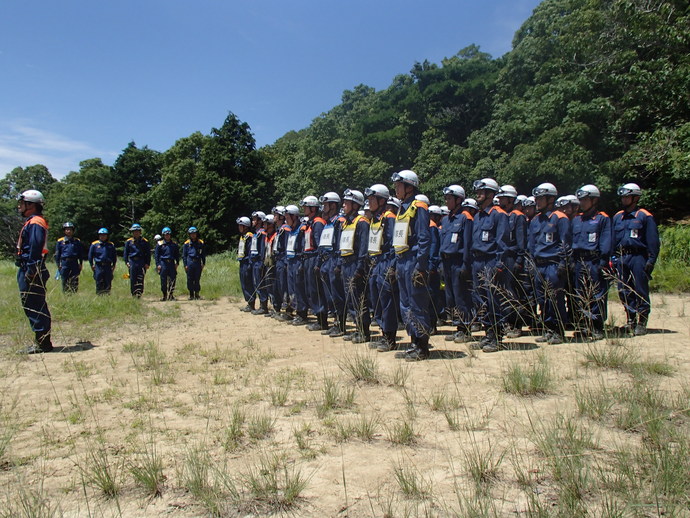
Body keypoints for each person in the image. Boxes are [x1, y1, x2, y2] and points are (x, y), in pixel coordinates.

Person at [391, 170, 432, 361]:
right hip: (401, 260)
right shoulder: (402, 207)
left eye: (399, 185)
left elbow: (424, 237)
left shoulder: (419, 206)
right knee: (405, 305)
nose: (396, 189)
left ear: (409, 187)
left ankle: (422, 347)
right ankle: (414, 341)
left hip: (413, 260)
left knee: (417, 304)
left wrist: (421, 266)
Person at [612, 183, 659, 336]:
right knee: (623, 289)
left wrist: (651, 260)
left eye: (627, 196)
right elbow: (613, 240)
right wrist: (612, 258)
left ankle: (642, 320)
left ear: (636, 198)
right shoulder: (618, 217)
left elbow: (652, 240)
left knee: (640, 289)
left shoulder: (645, 216)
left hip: (639, 256)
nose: (624, 199)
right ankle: (630, 318)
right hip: (621, 257)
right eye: (623, 197)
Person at [528, 183, 572, 344]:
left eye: (540, 198)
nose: (537, 202)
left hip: (553, 264)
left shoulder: (560, 218)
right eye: (536, 198)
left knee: (556, 298)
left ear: (551, 199)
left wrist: (563, 264)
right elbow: (531, 244)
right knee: (542, 299)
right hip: (539, 264)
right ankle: (548, 328)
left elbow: (565, 243)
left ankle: (559, 331)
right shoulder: (535, 220)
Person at [470, 178, 510, 353]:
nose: (478, 195)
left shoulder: (499, 214)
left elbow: (502, 241)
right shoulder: (478, 215)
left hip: (491, 260)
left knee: (494, 301)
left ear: (490, 194)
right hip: (478, 261)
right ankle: (488, 333)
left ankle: (496, 337)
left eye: (481, 192)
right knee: (482, 301)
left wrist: (499, 264)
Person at [571, 185, 612, 340]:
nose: (582, 203)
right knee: (580, 294)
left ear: (594, 200)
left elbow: (606, 241)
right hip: (579, 260)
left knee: (597, 294)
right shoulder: (577, 219)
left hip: (594, 261)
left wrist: (603, 262)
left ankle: (597, 326)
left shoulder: (602, 218)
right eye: (580, 200)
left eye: (585, 199)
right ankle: (584, 325)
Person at [16, 190, 53, 354]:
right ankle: (41, 341)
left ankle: (43, 343)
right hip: (27, 266)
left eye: (22, 203)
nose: (19, 206)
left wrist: (31, 269)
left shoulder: (36, 222)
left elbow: (35, 246)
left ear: (30, 205)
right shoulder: (31, 222)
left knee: (35, 304)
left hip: (32, 269)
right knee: (30, 303)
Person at [365, 184, 398, 352]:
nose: (369, 202)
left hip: (386, 262)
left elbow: (394, 244)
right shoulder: (376, 218)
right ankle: (383, 331)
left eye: (372, 199)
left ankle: (389, 337)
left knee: (387, 302)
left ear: (381, 200)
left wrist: (392, 267)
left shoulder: (389, 217)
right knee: (376, 300)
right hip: (376, 262)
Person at [440, 185, 474, 343]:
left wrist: (466, 265)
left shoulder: (465, 217)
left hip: (458, 261)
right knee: (451, 297)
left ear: (458, 200)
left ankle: (465, 328)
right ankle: (456, 325)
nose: (447, 201)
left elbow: (467, 244)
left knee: (461, 296)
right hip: (447, 262)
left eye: (449, 198)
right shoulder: (446, 219)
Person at [339, 189, 371, 343]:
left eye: (347, 202)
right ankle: (357, 328)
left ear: (355, 204)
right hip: (346, 264)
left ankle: (364, 331)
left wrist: (360, 268)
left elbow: (364, 247)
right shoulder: (346, 223)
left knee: (359, 298)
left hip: (355, 264)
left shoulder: (362, 222)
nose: (344, 205)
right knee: (350, 299)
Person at [496, 185, 527, 337]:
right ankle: (505, 322)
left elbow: (521, 240)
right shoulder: (501, 214)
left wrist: (519, 260)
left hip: (512, 257)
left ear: (510, 199)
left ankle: (516, 324)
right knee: (501, 292)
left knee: (512, 292)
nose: (500, 200)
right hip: (502, 257)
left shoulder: (517, 216)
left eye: (503, 197)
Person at [301, 196, 328, 331]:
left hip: (313, 258)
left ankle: (322, 320)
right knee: (310, 290)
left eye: (306, 207)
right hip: (308, 259)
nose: (304, 210)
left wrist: (317, 263)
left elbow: (319, 245)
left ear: (313, 208)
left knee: (316, 290)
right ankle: (318, 318)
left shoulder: (318, 223)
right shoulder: (310, 223)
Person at [123, 223, 151, 298]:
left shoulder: (145, 241)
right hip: (132, 262)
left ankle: (139, 294)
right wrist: (126, 262)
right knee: (132, 278)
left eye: (137, 231)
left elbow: (148, 253)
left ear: (140, 232)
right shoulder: (129, 242)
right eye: (134, 231)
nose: (136, 233)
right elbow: (126, 253)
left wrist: (147, 263)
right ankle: (133, 294)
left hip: (141, 262)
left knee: (140, 278)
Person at [55, 221, 83, 293]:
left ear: (73, 231)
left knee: (74, 279)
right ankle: (66, 294)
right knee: (65, 279)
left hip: (74, 262)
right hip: (64, 262)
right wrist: (58, 265)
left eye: (70, 229)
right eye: (67, 229)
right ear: (64, 231)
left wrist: (80, 263)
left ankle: (74, 294)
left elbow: (80, 253)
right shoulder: (60, 241)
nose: (68, 231)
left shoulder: (77, 241)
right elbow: (57, 254)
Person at [88, 228, 117, 295]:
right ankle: (99, 295)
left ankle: (107, 295)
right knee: (99, 281)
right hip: (98, 265)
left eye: (104, 235)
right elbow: (90, 255)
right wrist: (91, 264)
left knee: (108, 281)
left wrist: (114, 265)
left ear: (107, 236)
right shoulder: (94, 244)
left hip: (108, 266)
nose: (103, 236)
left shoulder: (111, 245)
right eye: (101, 235)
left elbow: (114, 256)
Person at [236, 217, 256, 312]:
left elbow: (250, 251)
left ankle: (251, 303)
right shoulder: (243, 236)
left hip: (247, 262)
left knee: (248, 283)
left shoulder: (249, 236)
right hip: (242, 262)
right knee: (244, 283)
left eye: (241, 225)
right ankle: (248, 302)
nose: (239, 227)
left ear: (246, 227)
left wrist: (249, 264)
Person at [155, 227, 180, 301]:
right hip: (163, 263)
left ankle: (171, 295)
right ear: (163, 235)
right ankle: (164, 295)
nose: (167, 236)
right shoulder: (160, 244)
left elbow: (177, 254)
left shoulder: (174, 244)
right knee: (163, 280)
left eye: (168, 234)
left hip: (171, 263)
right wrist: (158, 264)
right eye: (166, 234)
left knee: (172, 279)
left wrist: (177, 263)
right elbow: (156, 255)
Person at [183, 226, 206, 300]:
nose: (193, 235)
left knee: (197, 279)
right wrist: (185, 265)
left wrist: (203, 263)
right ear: (189, 234)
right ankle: (191, 295)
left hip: (198, 262)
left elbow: (203, 254)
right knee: (190, 279)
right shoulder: (186, 243)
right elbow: (184, 255)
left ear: (196, 234)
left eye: (194, 233)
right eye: (191, 234)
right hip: (190, 262)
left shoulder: (200, 242)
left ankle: (197, 294)